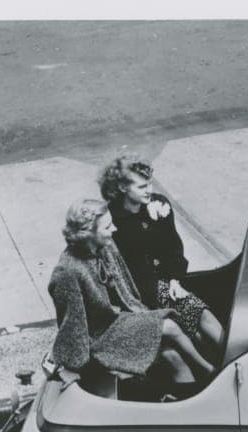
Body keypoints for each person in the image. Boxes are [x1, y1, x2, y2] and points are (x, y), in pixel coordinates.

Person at [48, 199, 216, 394]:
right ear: (89, 234)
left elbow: (125, 289)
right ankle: (210, 372)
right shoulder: (68, 272)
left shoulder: (105, 247)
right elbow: (71, 322)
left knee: (172, 356)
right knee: (168, 325)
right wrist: (73, 365)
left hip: (120, 320)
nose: (115, 229)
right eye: (108, 226)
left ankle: (191, 399)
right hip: (100, 336)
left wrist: (139, 314)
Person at [98, 155, 225, 363]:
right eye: (141, 187)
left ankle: (234, 360)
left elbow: (174, 248)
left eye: (149, 184)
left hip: (168, 283)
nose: (149, 190)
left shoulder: (158, 204)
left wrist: (175, 279)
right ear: (122, 187)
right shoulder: (112, 219)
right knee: (195, 328)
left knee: (203, 315)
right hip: (141, 291)